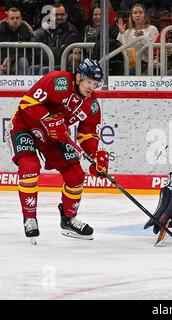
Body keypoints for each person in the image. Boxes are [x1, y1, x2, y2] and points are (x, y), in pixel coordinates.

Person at [7, 58, 109, 244]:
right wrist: (47, 118)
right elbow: (27, 103)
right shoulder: (58, 81)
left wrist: (95, 156)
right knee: (29, 166)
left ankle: (68, 219)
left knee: (76, 174)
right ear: (78, 77)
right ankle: (30, 218)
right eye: (88, 81)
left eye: (95, 84)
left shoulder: (92, 105)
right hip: (26, 127)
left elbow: (88, 133)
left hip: (54, 137)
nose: (91, 87)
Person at [32, 3, 81, 72]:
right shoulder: (46, 30)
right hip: (46, 63)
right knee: (32, 69)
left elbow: (62, 53)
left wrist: (49, 50)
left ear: (66, 15)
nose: (59, 17)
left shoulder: (72, 31)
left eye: (62, 14)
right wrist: (54, 50)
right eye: (56, 15)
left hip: (63, 66)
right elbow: (39, 53)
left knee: (44, 70)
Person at [116, 3, 159, 75]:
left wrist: (140, 39)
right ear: (131, 16)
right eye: (135, 13)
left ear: (145, 15)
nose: (137, 15)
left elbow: (157, 49)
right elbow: (123, 50)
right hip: (132, 65)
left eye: (140, 12)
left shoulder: (152, 29)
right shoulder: (128, 32)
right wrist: (122, 33)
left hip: (149, 64)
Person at [0, 7, 33, 75]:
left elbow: (27, 53)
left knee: (23, 61)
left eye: (17, 18)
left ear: (21, 19)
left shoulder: (26, 30)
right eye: (12, 18)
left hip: (17, 64)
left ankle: (23, 84)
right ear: (7, 19)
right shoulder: (1, 30)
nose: (15, 20)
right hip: (2, 65)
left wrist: (10, 59)